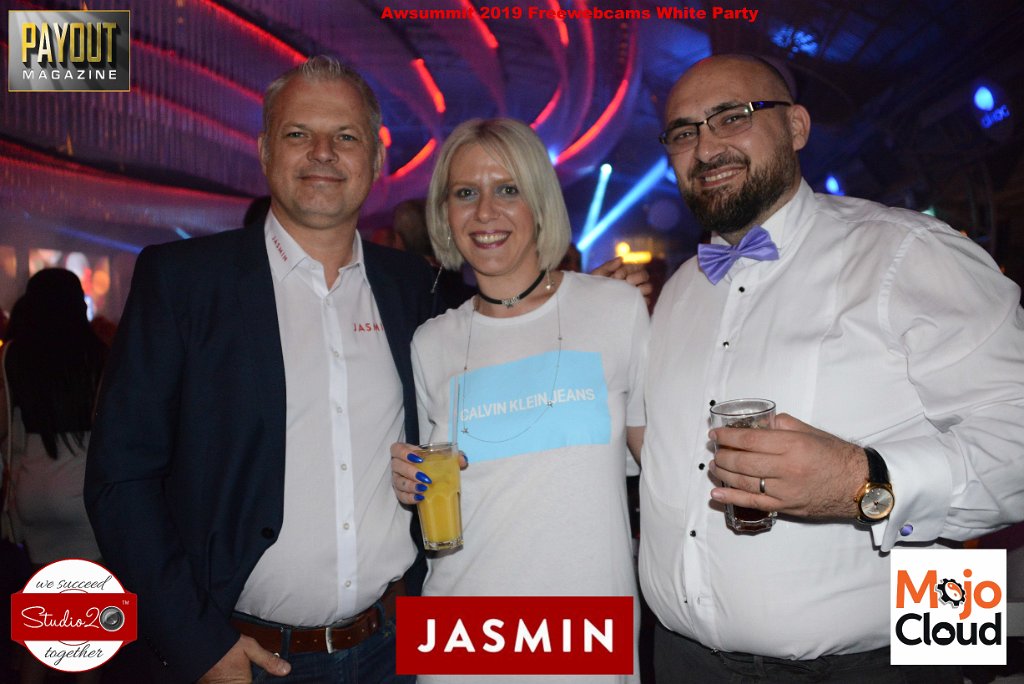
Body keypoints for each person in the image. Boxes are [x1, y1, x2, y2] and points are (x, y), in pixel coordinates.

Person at [85, 56, 649, 684]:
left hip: (402, 646)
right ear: (266, 151)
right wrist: (198, 645)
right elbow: (119, 481)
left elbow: (514, 333)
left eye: (346, 136)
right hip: (247, 657)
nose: (323, 153)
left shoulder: (415, 293)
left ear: (376, 160)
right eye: (299, 133)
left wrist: (591, 300)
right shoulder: (183, 283)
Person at [640, 53, 1024, 683]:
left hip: (879, 662)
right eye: (684, 132)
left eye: (733, 117)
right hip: (683, 660)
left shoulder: (908, 251)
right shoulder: (680, 289)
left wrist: (860, 482)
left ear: (796, 126)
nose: (706, 148)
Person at [389, 118, 648, 684]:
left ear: (539, 202)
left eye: (507, 189)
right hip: (459, 643)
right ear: (445, 214)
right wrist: (406, 481)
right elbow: (426, 483)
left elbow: (667, 467)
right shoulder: (431, 343)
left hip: (586, 643)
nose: (485, 211)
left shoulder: (616, 310)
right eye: (465, 193)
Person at [1, 269, 107, 684]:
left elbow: (4, 425)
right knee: (89, 621)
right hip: (83, 491)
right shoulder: (98, 354)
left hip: (33, 490)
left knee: (43, 609)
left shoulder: (13, 355)